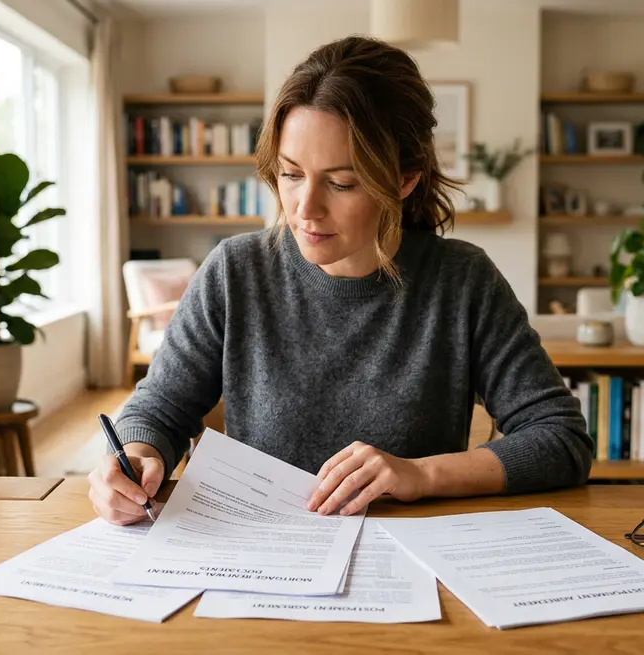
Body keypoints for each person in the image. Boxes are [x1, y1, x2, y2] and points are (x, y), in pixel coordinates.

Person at [90, 35, 592, 526]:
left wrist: (419, 474)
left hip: (411, 567)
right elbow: (157, 410)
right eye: (290, 174)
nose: (305, 209)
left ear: (403, 179)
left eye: (341, 182)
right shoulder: (234, 271)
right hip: (257, 561)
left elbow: (560, 438)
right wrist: (135, 456)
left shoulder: (461, 281)